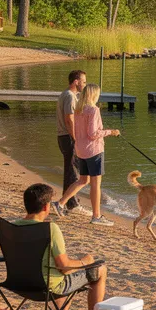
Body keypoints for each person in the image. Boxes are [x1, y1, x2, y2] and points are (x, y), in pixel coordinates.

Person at [17, 183, 108, 310]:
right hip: (46, 286)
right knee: (100, 269)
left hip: (19, 283)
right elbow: (64, 267)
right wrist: (84, 261)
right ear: (46, 207)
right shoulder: (50, 228)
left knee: (56, 269)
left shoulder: (13, 225)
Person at [55, 83, 120, 227]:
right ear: (94, 95)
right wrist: (111, 132)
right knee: (95, 185)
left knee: (83, 180)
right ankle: (96, 216)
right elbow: (93, 134)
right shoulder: (93, 110)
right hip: (94, 151)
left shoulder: (78, 109)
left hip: (81, 149)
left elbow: (79, 131)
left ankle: (60, 203)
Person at [55, 70, 88, 214]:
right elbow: (69, 119)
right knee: (74, 172)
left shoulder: (69, 95)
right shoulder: (69, 96)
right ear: (76, 81)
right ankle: (72, 204)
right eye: (84, 81)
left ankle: (67, 203)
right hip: (68, 137)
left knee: (70, 170)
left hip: (64, 136)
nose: (85, 84)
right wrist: (76, 138)